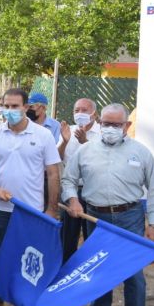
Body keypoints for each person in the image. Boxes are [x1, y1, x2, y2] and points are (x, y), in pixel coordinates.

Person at [62, 103, 154, 306]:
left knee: (133, 276)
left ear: (127, 126)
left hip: (129, 219)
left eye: (115, 124)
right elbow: (69, 178)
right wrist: (73, 199)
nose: (109, 128)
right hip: (95, 218)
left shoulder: (141, 153)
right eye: (106, 124)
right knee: (99, 269)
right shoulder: (85, 151)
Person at [0, 88, 61, 306]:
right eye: (6, 106)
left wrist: (51, 209)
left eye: (15, 106)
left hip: (31, 211)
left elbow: (53, 173)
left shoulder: (42, 135)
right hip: (2, 209)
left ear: (26, 107)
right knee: (1, 252)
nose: (10, 111)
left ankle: (28, 298)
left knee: (31, 254)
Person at [57, 98, 101, 262]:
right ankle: (64, 268)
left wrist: (85, 142)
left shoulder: (103, 133)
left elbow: (101, 161)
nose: (80, 114)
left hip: (93, 192)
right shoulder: (68, 131)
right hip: (70, 190)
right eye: (77, 110)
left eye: (84, 110)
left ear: (93, 113)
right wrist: (65, 141)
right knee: (67, 235)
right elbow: (57, 158)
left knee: (91, 235)